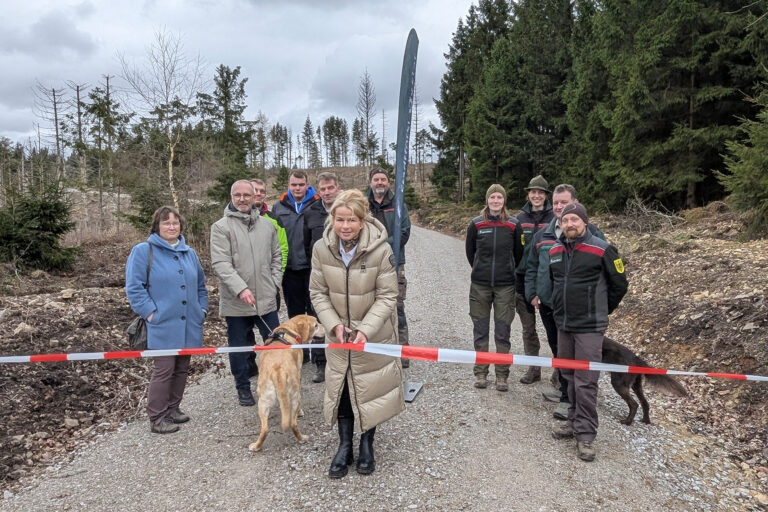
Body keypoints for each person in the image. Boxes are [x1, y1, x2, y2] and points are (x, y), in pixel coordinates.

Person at [309, 189, 404, 478]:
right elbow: (318, 292)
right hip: (338, 336)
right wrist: (333, 324)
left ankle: (366, 443)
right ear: (332, 219)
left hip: (372, 335)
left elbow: (388, 296)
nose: (345, 226)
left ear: (362, 221)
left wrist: (365, 329)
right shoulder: (321, 249)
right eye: (340, 219)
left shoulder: (381, 250)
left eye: (351, 219)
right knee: (343, 390)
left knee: (368, 388)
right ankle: (344, 446)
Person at [549, 203, 628, 462]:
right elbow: (555, 283)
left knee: (586, 381)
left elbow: (619, 285)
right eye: (565, 220)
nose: (569, 224)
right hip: (564, 326)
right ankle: (572, 419)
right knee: (568, 376)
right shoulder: (555, 250)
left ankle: (585, 434)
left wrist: (601, 311)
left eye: (574, 219)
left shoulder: (603, 249)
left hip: (590, 328)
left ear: (584, 221)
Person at [525, 184, 605, 420]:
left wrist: (600, 305)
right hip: (550, 306)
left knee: (576, 359)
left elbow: (611, 278)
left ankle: (569, 401)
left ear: (575, 204)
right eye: (557, 202)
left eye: (564, 203)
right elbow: (531, 267)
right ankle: (564, 391)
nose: (559, 207)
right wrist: (533, 293)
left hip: (581, 312)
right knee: (558, 349)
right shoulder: (543, 235)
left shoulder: (594, 236)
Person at [125, 206, 208, 434]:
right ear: (157, 226)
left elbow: (201, 285)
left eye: (175, 223)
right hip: (161, 323)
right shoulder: (144, 251)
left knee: (182, 367)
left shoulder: (189, 253)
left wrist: (202, 310)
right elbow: (134, 287)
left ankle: (173, 409)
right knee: (164, 369)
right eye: (166, 223)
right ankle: (157, 417)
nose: (171, 227)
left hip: (189, 322)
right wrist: (151, 313)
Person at [211, 180, 282, 407]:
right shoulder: (221, 227)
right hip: (236, 302)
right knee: (239, 348)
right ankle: (242, 387)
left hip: (266, 299)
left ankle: (277, 384)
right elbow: (221, 263)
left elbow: (276, 257)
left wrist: (274, 283)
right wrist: (240, 288)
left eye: (246, 195)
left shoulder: (267, 226)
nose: (242, 199)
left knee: (276, 344)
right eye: (237, 195)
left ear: (254, 197)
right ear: (231, 197)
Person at [465, 184, 522, 391]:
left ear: (504, 200)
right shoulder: (476, 224)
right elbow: (471, 253)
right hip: (480, 285)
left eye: (499, 197)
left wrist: (506, 271)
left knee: (502, 331)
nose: (496, 201)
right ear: (487, 200)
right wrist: (480, 269)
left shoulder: (514, 225)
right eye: (492, 197)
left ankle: (502, 375)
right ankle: (481, 372)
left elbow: (519, 253)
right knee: (480, 330)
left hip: (505, 286)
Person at [365, 167, 411, 368]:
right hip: (367, 264)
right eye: (376, 179)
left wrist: (383, 246)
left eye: (383, 179)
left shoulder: (398, 203)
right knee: (370, 306)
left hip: (394, 263)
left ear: (388, 183)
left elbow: (405, 231)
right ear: (370, 182)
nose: (380, 183)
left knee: (397, 306)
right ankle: (376, 350)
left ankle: (403, 350)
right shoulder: (362, 204)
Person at [271, 170, 319, 363]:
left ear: (307, 184)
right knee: (295, 315)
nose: (297, 188)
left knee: (315, 313)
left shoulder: (317, 204)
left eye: (301, 184)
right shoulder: (278, 207)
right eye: (294, 185)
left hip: (313, 269)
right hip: (290, 270)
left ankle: (319, 358)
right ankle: (301, 355)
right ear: (288, 185)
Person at [514, 175, 554, 385]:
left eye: (540, 192)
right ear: (528, 194)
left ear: (546, 195)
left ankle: (560, 373)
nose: (536, 195)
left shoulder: (556, 217)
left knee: (554, 330)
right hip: (523, 280)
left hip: (550, 282)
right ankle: (534, 368)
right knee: (528, 329)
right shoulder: (519, 219)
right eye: (533, 192)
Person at [302, 171, 342, 383]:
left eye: (330, 188)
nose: (327, 192)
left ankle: (342, 360)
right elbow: (307, 244)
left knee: (342, 316)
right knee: (319, 319)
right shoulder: (310, 213)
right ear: (318, 191)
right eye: (323, 189)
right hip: (319, 274)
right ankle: (320, 364)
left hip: (343, 274)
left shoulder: (345, 209)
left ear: (337, 188)